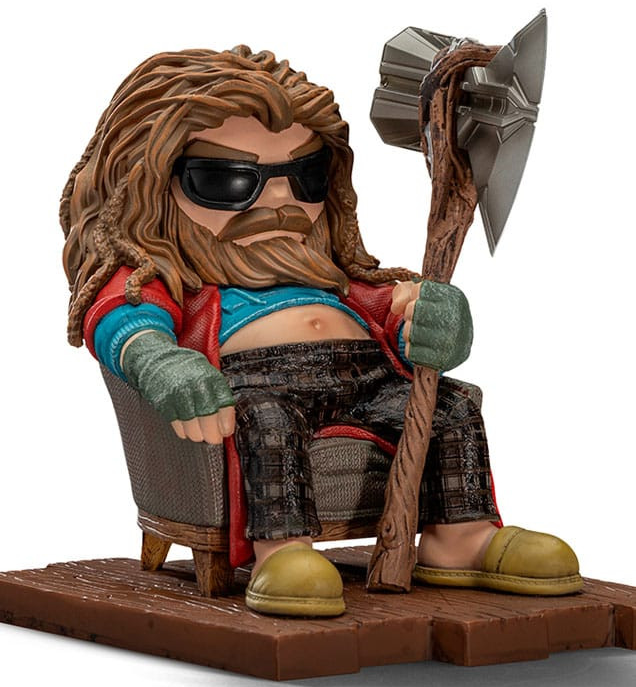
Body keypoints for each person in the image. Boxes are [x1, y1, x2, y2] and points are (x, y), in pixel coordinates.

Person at [60, 45, 582, 617]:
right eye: (229, 180)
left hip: (369, 382)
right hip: (255, 387)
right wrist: (158, 360)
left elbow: (392, 312)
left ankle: (461, 538)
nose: (280, 200)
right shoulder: (160, 276)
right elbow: (121, 318)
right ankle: (282, 553)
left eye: (304, 176)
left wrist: (430, 321)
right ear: (151, 186)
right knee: (267, 421)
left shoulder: (330, 272)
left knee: (449, 407)